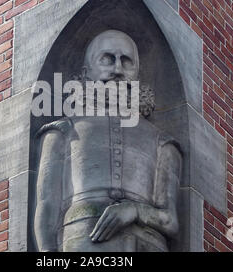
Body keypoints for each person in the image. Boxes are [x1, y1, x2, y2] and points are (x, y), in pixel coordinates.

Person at [34, 30, 182, 252]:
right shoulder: (61, 132)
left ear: (137, 75)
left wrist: (135, 211)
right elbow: (47, 207)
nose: (117, 69)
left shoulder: (162, 143)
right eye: (107, 59)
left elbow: (170, 221)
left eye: (126, 61)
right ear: (86, 72)